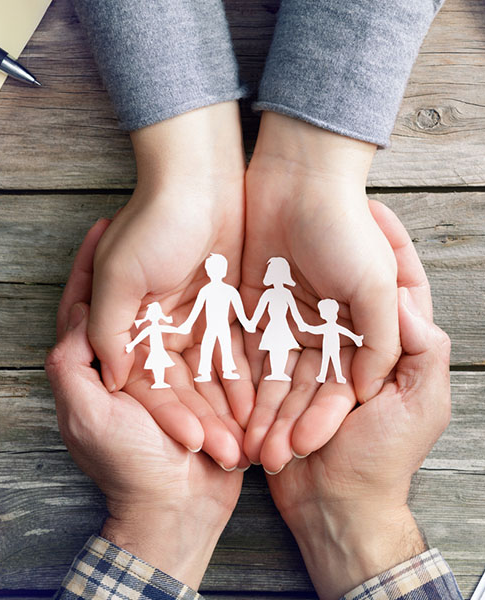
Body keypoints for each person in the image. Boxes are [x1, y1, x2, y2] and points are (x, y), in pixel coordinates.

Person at [70, 0, 445, 464]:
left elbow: (252, 313)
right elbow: (240, 313)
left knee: (225, 353)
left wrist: (312, 173)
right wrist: (193, 170)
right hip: (240, 331)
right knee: (219, 351)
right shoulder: (248, 294)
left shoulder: (263, 295)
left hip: (267, 332)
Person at [46, 204, 462, 599]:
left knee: (234, 356)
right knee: (224, 353)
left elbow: (272, 318)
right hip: (231, 336)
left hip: (271, 338)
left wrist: (161, 515)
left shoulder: (253, 296)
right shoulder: (229, 293)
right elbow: (226, 317)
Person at [176, 253, 253, 382]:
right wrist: (187, 324)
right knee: (207, 347)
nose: (212, 272)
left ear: (223, 271)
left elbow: (240, 311)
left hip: (222, 326)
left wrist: (246, 323)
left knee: (225, 347)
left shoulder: (229, 291)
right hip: (211, 326)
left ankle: (228, 370)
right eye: (210, 269)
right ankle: (205, 373)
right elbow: (196, 309)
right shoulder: (206, 290)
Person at [248, 257, 308, 381]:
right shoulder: (268, 294)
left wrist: (301, 324)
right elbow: (259, 309)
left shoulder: (287, 293)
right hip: (273, 324)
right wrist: (252, 323)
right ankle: (275, 372)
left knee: (282, 348)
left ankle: (280, 372)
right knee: (274, 348)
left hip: (282, 324)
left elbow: (294, 311)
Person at [304, 299, 364, 384]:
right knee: (328, 360)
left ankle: (336, 376)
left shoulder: (331, 326)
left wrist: (307, 328)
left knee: (333, 360)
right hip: (328, 346)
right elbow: (315, 330)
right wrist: (307, 328)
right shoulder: (329, 326)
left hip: (334, 346)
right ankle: (323, 376)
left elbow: (315, 330)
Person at [125, 302, 176, 389]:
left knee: (161, 365)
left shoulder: (157, 327)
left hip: (160, 350)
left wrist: (181, 329)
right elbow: (140, 337)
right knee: (157, 365)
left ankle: (160, 382)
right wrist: (131, 345)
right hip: (155, 351)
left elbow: (171, 329)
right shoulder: (150, 328)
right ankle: (158, 382)